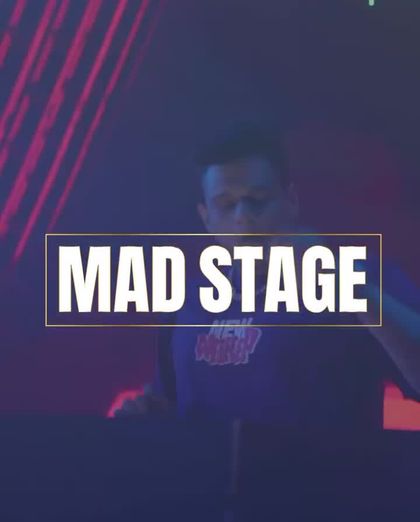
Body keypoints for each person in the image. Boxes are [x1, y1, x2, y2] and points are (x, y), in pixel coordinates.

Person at [115, 122, 420, 432]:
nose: (243, 216)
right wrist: (145, 418)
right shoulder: (186, 305)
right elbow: (170, 406)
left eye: (257, 199)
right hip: (203, 465)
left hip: (322, 465)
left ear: (291, 201)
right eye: (226, 205)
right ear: (206, 218)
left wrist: (347, 286)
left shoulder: (360, 276)